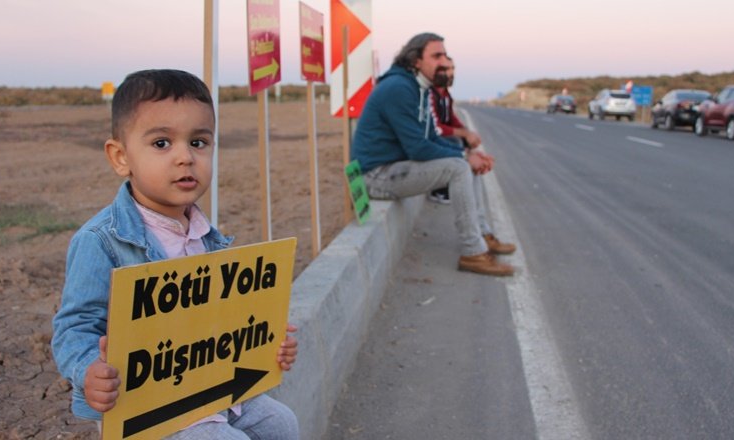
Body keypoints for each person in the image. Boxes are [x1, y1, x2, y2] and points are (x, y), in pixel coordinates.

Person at [51, 69, 299, 439]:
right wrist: (89, 370)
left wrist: (266, 340)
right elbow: (75, 326)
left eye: (198, 142)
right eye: (162, 143)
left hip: (210, 389)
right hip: (149, 408)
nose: (185, 157)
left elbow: (222, 318)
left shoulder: (205, 234)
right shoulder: (101, 240)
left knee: (281, 423)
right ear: (120, 157)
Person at [351, 33, 516, 277]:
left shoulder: (420, 88)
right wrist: (464, 158)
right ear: (416, 60)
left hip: (394, 167)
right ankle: (473, 253)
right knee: (459, 168)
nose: (444, 61)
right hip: (374, 176)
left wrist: (467, 154)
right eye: (436, 56)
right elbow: (418, 148)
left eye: (445, 55)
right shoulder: (398, 88)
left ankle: (482, 235)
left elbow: (432, 138)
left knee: (465, 162)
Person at [427, 57, 485, 204]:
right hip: (433, 137)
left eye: (452, 69)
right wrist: (464, 134)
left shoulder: (445, 93)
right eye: (446, 69)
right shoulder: (430, 94)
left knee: (466, 141)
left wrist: (468, 133)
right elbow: (435, 127)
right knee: (455, 141)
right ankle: (440, 190)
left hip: (442, 134)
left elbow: (451, 117)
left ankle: (466, 185)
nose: (451, 73)